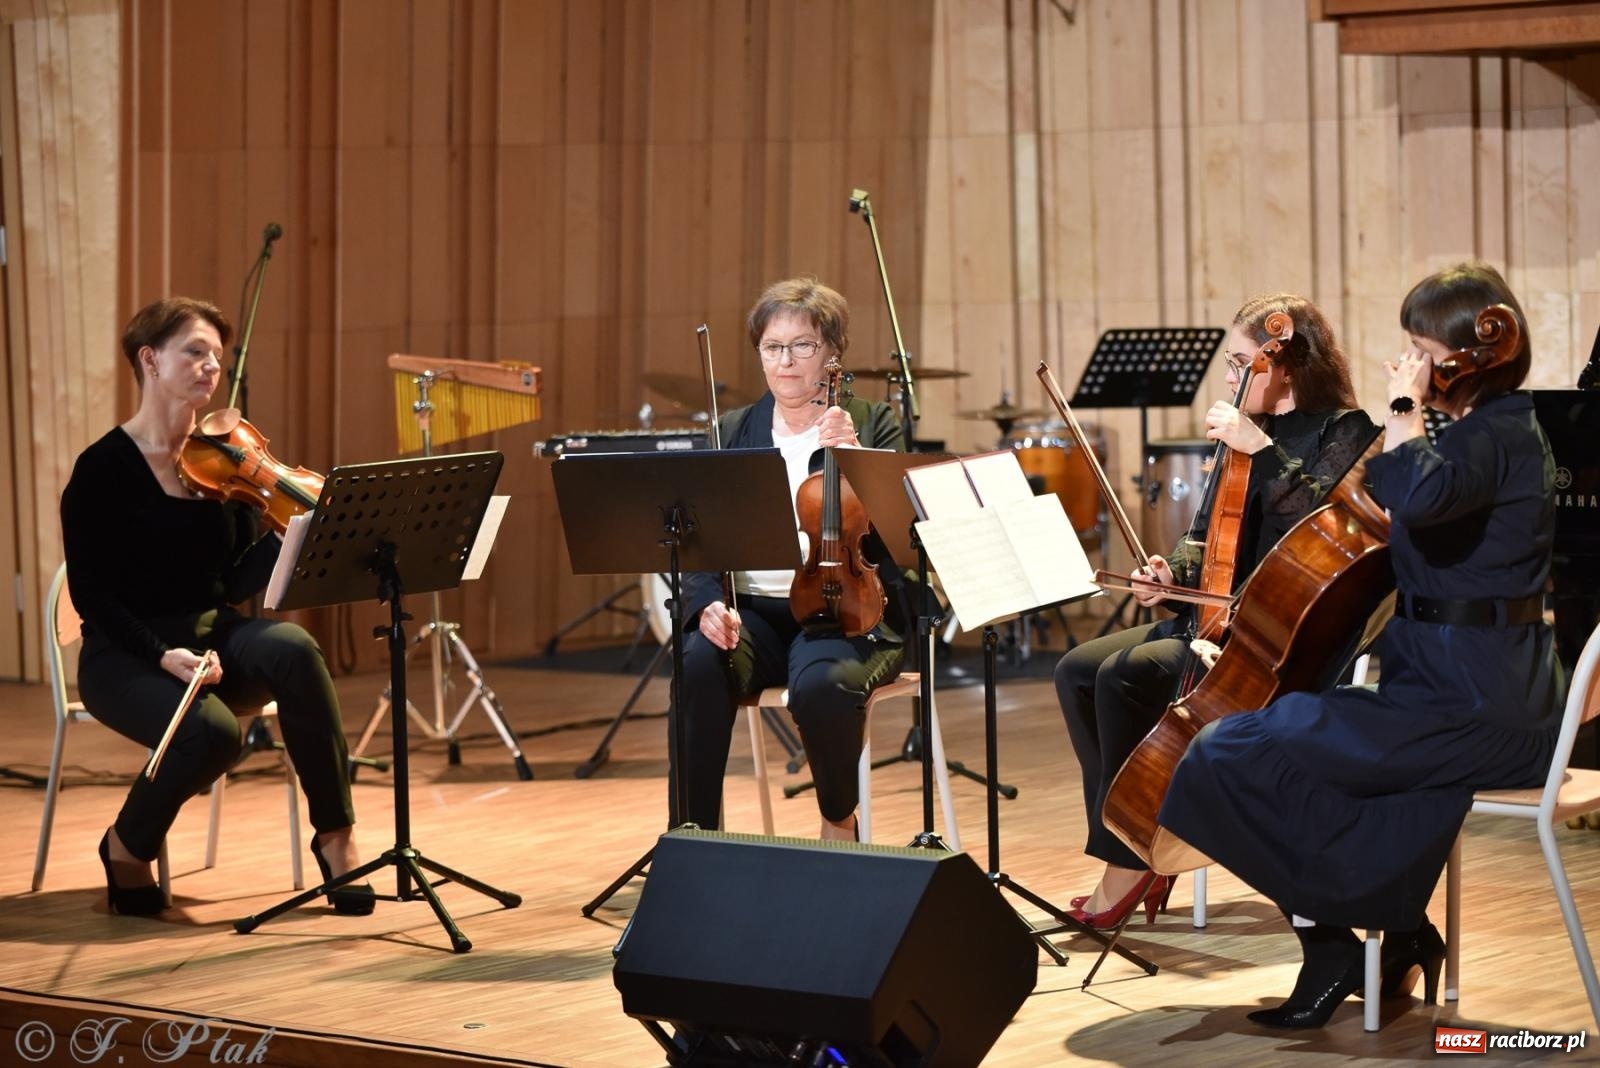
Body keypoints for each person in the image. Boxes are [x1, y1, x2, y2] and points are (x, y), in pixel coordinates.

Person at [1159, 262, 1565, 1028]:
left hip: (1473, 705)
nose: (1405, 363)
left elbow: (1413, 495)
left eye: (1418, 348)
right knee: (1290, 749)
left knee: (1225, 751)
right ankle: (1387, 935)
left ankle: (1338, 943)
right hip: (1456, 690)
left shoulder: (1495, 434)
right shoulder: (1493, 432)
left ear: (1470, 354)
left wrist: (1405, 408)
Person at [1055, 294, 1378, 929]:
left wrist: (1260, 447)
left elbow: (1319, 518)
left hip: (1279, 638)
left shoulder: (1347, 430)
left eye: (1241, 365)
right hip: (1213, 618)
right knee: (1077, 671)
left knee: (1127, 675)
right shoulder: (1241, 433)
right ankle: (1131, 837)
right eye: (1230, 366)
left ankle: (1130, 858)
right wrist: (1169, 572)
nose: (1231, 380)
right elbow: (1206, 534)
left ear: (1285, 364)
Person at [60, 296, 373, 917]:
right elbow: (92, 595)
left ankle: (337, 838)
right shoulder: (102, 469)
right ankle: (126, 846)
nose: (211, 367)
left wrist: (286, 540)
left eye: (217, 357)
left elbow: (228, 584)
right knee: (212, 733)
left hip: (210, 636)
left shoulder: (222, 464)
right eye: (195, 351)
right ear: (150, 360)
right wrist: (162, 654)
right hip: (124, 654)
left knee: (293, 647)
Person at [677, 277, 914, 841]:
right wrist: (708, 605)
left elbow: (899, 538)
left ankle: (839, 820)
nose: (785, 362)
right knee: (695, 666)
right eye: (772, 348)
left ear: (832, 353)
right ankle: (692, 838)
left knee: (822, 686)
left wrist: (856, 458)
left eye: (802, 346)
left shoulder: (873, 421)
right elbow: (701, 539)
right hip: (754, 613)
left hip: (846, 612)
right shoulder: (734, 429)